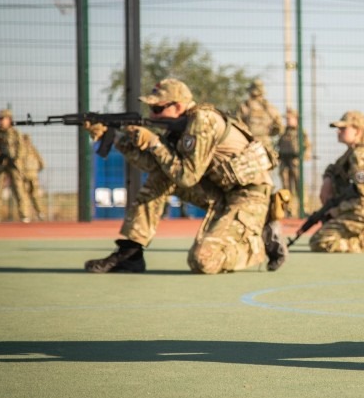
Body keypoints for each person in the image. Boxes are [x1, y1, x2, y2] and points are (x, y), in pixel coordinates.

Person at [83, 78, 287, 274]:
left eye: (158, 108)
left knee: (202, 261)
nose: (153, 116)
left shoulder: (202, 121)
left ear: (178, 106)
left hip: (249, 197)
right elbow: (154, 165)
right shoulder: (180, 128)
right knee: (161, 177)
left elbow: (186, 177)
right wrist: (114, 137)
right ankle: (130, 253)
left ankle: (259, 237)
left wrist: (155, 143)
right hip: (220, 192)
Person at [310, 110, 364, 253]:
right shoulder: (356, 151)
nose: (338, 131)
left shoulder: (360, 156)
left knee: (321, 241)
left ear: (358, 131)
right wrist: (327, 180)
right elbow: (334, 168)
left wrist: (337, 210)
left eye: (343, 128)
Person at [0, 108, 30, 223]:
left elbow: (22, 149)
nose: (0, 121)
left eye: (2, 119)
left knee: (19, 189)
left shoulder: (15, 133)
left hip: (14, 164)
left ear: (9, 119)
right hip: (0, 164)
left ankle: (24, 214)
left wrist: (16, 159)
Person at [277, 108, 311, 215]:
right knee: (286, 187)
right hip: (284, 161)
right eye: (286, 119)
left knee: (299, 186)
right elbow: (278, 145)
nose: (287, 121)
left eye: (289, 118)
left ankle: (303, 209)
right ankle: (289, 210)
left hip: (295, 162)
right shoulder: (283, 132)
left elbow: (307, 146)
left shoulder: (300, 132)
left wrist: (303, 156)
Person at [239, 79, 283, 157]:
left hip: (249, 144)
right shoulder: (269, 108)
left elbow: (237, 125)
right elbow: (279, 127)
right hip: (264, 145)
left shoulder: (245, 107)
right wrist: (268, 133)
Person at [20, 134, 46, 221]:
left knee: (35, 195)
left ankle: (40, 213)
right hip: (24, 176)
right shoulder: (20, 151)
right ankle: (25, 215)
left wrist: (39, 168)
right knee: (24, 196)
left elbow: (41, 161)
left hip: (33, 176)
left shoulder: (33, 150)